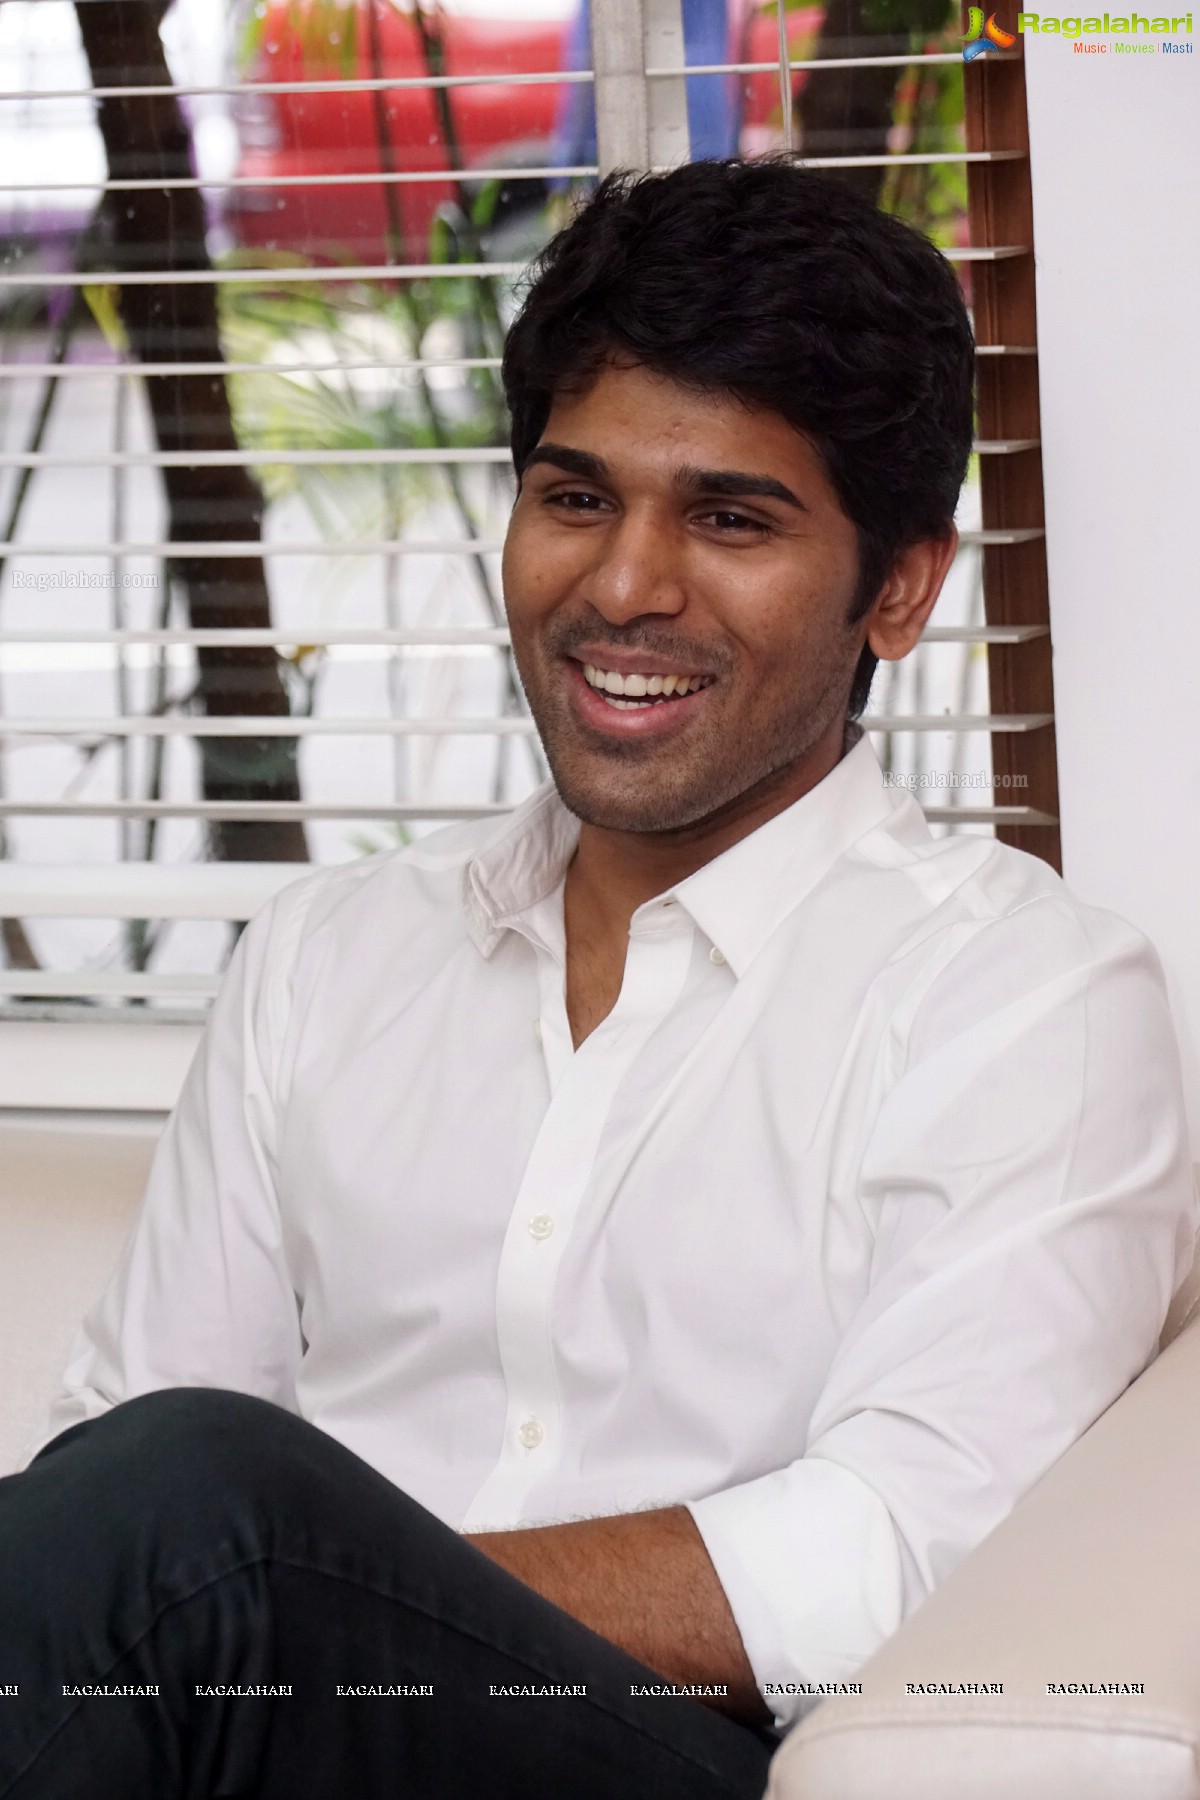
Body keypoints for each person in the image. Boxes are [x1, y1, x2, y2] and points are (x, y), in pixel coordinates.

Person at [0, 158, 1193, 1800]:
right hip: (250, 1735)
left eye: (730, 517)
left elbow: (899, 1546)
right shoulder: (326, 964)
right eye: (575, 498)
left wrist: (328, 1594)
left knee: (195, 1514)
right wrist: (272, 1612)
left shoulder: (1023, 995)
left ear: (901, 588)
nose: (624, 587)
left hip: (676, 1765)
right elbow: (123, 1446)